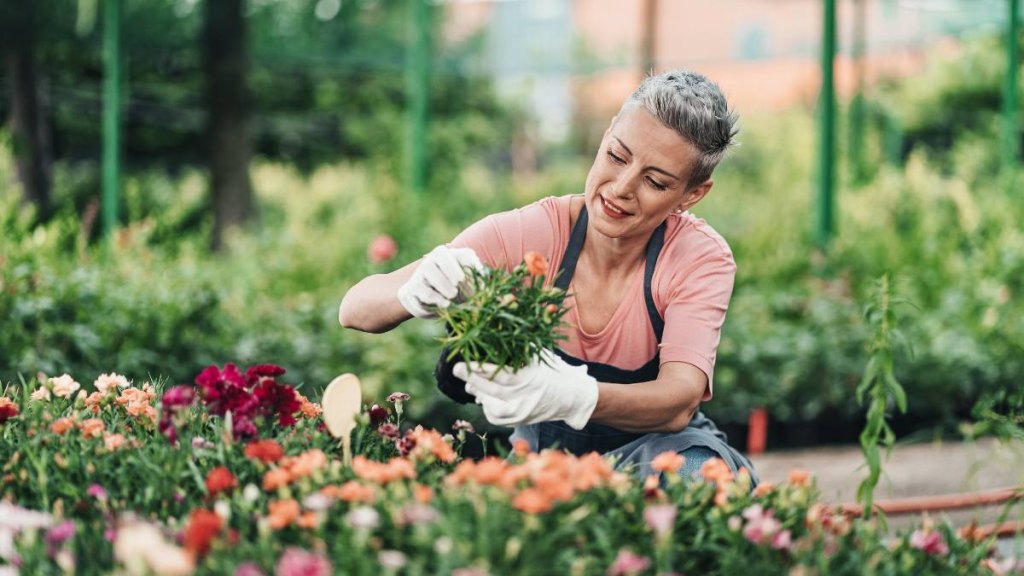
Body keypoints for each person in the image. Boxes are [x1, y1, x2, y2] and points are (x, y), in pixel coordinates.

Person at [339, 70, 756, 482]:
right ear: (608, 133)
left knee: (701, 479)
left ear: (692, 194)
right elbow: (354, 309)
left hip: (660, 458)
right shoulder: (533, 233)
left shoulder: (698, 257)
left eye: (655, 181)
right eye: (616, 156)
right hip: (544, 462)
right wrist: (413, 290)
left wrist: (578, 396)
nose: (622, 187)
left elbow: (678, 401)